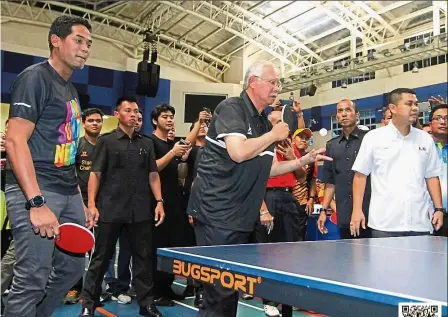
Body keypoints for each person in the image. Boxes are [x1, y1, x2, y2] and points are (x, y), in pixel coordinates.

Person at [186, 60, 331, 317]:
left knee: (229, 291)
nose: (278, 88)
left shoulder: (263, 123)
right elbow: (238, 152)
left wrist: (302, 161)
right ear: (253, 82)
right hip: (216, 213)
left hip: (239, 216)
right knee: (219, 294)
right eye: (273, 82)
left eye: (279, 83)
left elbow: (268, 168)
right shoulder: (232, 108)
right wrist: (274, 135)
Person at [4, 16, 95, 317]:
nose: (85, 49)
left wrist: (79, 201)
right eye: (79, 40)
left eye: (89, 44)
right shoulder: (35, 78)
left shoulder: (69, 90)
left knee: (71, 269)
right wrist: (36, 202)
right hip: (37, 188)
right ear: (56, 40)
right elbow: (16, 141)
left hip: (66, 190)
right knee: (32, 278)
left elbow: (68, 152)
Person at [79, 97, 165, 317]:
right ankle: (89, 302)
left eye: (137, 111)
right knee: (100, 258)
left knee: (143, 259)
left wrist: (159, 201)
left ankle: (146, 304)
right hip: (110, 209)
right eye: (129, 110)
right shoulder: (105, 142)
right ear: (117, 114)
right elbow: (95, 174)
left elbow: (153, 174)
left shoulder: (146, 143)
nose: (134, 114)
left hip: (140, 211)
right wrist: (91, 204)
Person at [351, 88, 444, 238]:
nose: (415, 108)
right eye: (409, 104)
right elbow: (360, 176)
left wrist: (439, 209)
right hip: (385, 223)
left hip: (420, 223)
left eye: (416, 103)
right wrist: (357, 210)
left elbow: (432, 176)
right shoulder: (374, 138)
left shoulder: (425, 139)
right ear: (393, 108)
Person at [64, 108, 104, 304]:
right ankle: (74, 288)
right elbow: (70, 174)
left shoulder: (105, 145)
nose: (95, 123)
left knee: (100, 251)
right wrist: (82, 204)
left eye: (98, 121)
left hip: (102, 205)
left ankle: (94, 291)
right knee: (77, 248)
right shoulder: (77, 145)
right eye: (91, 121)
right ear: (84, 123)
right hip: (78, 205)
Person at [317, 99, 371, 239]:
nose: (344, 114)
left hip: (369, 212)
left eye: (348, 110)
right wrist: (324, 210)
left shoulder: (369, 139)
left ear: (357, 115)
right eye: (340, 111)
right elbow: (330, 181)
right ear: (336, 117)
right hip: (344, 213)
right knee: (348, 256)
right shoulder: (331, 145)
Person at [429, 104, 448, 236]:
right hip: (430, 215)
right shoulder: (423, 148)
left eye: (447, 118)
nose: (443, 122)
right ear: (430, 123)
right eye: (439, 118)